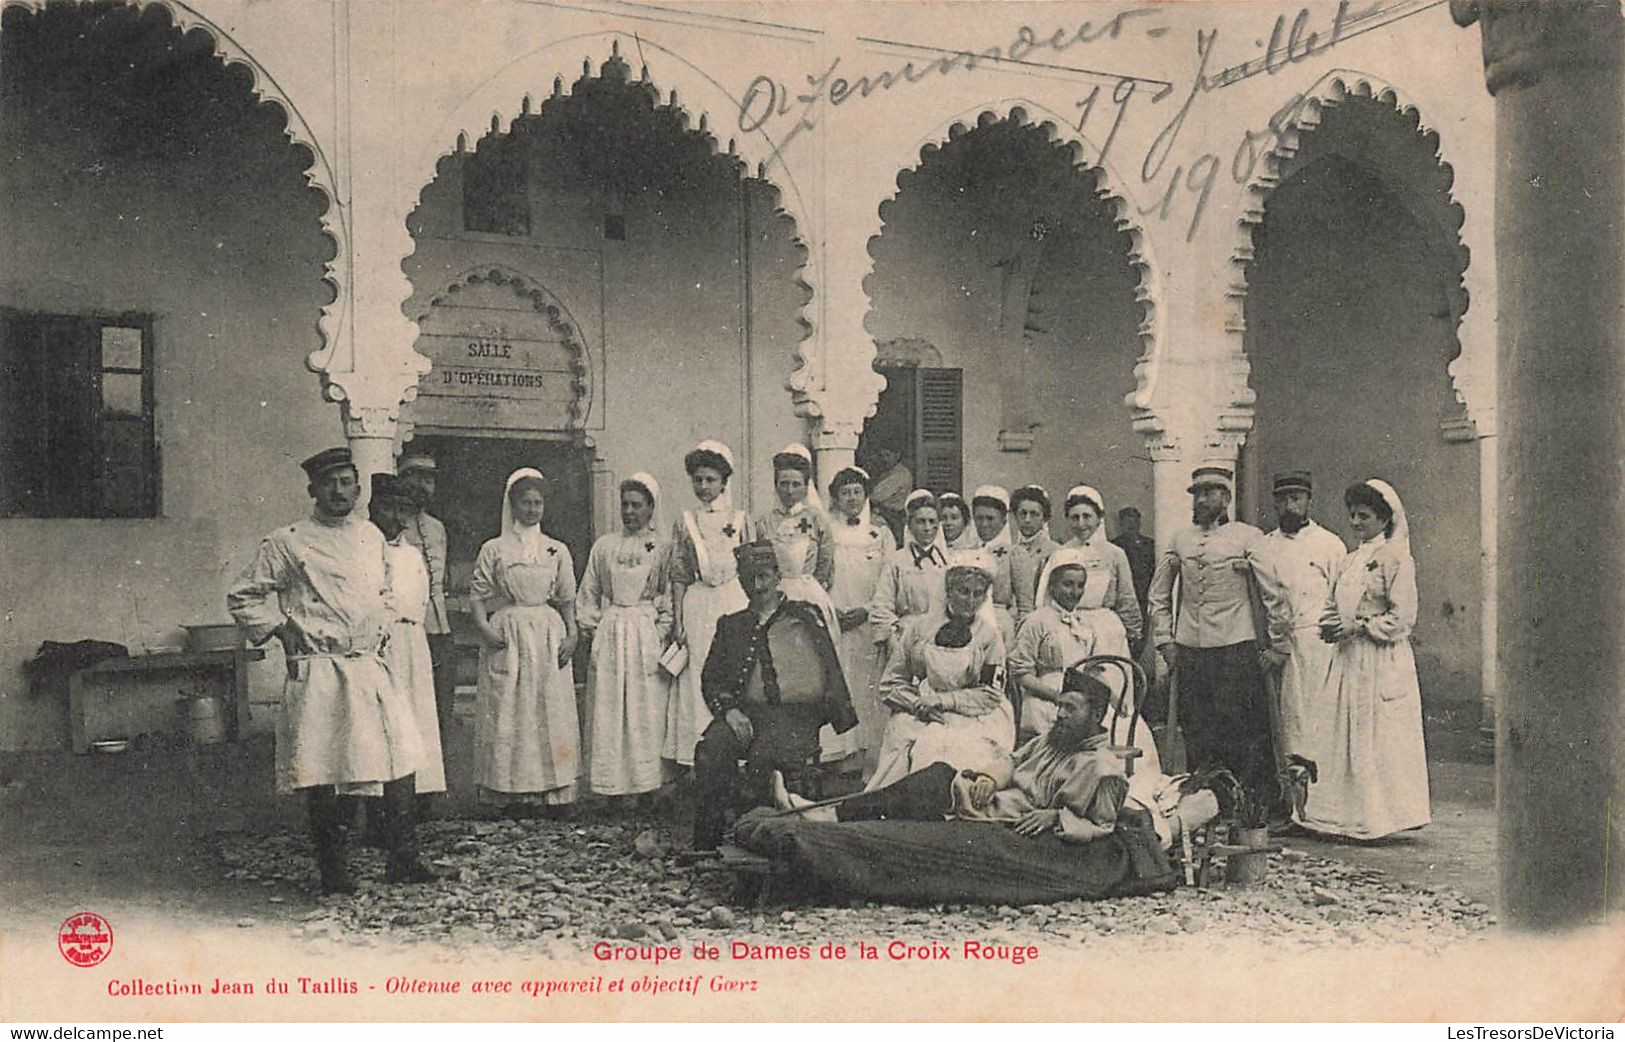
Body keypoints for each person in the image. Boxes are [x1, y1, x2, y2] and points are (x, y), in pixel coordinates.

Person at [227, 447, 436, 894]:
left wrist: (379, 630)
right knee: (328, 770)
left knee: (401, 756)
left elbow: (382, 591)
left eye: (346, 482)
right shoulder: (289, 542)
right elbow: (243, 595)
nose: (338, 491)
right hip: (321, 670)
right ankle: (334, 871)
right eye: (329, 483)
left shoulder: (370, 537)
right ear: (313, 490)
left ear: (358, 488)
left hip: (368, 664)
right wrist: (280, 629)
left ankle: (403, 859)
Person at [773, 669, 1218, 851]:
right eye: (1059, 706)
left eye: (1071, 709)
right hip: (990, 796)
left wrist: (1056, 817)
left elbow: (1101, 824)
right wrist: (988, 775)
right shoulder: (1054, 739)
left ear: (1096, 716)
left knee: (927, 786)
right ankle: (823, 814)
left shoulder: (1101, 767)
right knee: (933, 779)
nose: (1060, 714)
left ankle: (822, 816)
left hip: (1006, 816)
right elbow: (1012, 759)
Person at [691, 540, 858, 850]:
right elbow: (711, 678)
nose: (757, 585)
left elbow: (827, 669)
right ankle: (708, 844)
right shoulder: (732, 625)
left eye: (764, 576)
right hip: (744, 714)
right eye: (748, 577)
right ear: (739, 580)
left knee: (766, 761)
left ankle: (769, 843)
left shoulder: (806, 616)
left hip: (794, 715)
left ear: (777, 576)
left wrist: (825, 713)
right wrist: (728, 711)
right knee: (710, 750)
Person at [1299, 480, 1430, 840]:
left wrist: (1358, 628)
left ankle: (1377, 819)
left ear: (1385, 519)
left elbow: (1403, 618)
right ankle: (1338, 817)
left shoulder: (1397, 558)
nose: (1356, 522)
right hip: (1346, 659)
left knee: (1375, 737)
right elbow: (1330, 604)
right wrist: (1330, 626)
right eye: (1353, 515)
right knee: (1341, 734)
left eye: (1365, 516)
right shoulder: (1349, 560)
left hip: (1379, 658)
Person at [1146, 465, 1275, 807]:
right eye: (1197, 494)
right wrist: (1164, 640)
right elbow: (1158, 595)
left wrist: (1279, 644)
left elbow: (1273, 593)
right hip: (1190, 648)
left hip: (1236, 646)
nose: (1202, 500)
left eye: (1209, 493)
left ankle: (1241, 802)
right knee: (1196, 728)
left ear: (1226, 497)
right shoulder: (1180, 539)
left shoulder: (1248, 537)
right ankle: (1202, 802)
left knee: (1237, 728)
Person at [468, 468, 581, 814]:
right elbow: (477, 596)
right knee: (510, 710)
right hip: (510, 634)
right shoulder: (495, 548)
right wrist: (485, 629)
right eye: (526, 502)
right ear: (512, 505)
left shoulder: (555, 550)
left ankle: (553, 792)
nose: (532, 509)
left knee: (549, 708)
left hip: (548, 633)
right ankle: (509, 792)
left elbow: (566, 598)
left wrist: (573, 633)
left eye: (538, 503)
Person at [866, 548, 1015, 791]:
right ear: (948, 591)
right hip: (924, 709)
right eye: (963, 591)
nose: (970, 601)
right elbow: (890, 684)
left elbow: (990, 694)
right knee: (905, 737)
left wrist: (945, 701)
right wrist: (917, 704)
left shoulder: (989, 636)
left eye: (978, 594)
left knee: (963, 747)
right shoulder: (920, 629)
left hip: (975, 712)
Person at [1010, 546, 1161, 775]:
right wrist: (1057, 697)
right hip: (1045, 699)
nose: (1075, 591)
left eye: (1080, 585)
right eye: (1067, 584)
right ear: (1052, 585)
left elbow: (1093, 671)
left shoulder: (1085, 624)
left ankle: (1122, 788)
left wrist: (1114, 700)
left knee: (1129, 726)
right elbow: (1021, 674)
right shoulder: (1037, 621)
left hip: (1082, 697)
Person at [578, 473, 671, 807]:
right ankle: (612, 789)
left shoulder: (661, 548)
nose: (629, 511)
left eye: (637, 505)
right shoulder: (605, 546)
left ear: (650, 508)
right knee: (610, 708)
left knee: (645, 709)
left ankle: (647, 787)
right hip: (613, 631)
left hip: (645, 632)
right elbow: (588, 592)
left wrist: (657, 633)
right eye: (625, 504)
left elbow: (668, 595)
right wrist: (595, 627)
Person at [665, 440, 756, 768]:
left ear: (724, 481)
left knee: (734, 672)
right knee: (699, 675)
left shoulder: (742, 519)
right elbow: (678, 573)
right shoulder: (685, 521)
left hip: (733, 600)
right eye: (698, 480)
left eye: (710, 480)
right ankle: (695, 757)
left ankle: (737, 753)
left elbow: (753, 570)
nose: (704, 486)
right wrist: (678, 620)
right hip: (698, 605)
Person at [1252, 471, 1347, 763]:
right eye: (1282, 499)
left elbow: (1339, 598)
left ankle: (1322, 788)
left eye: (1296, 498)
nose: (1290, 505)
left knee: (1321, 716)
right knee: (1287, 718)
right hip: (1279, 647)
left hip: (1320, 647)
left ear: (1309, 501)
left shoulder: (1330, 545)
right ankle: (1291, 788)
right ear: (1275, 503)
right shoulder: (1264, 545)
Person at [370, 473, 447, 804]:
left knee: (417, 719)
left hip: (412, 641)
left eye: (406, 511)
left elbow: (419, 599)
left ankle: (417, 799)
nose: (399, 519)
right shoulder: (364, 549)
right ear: (374, 508)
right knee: (381, 725)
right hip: (378, 646)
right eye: (391, 509)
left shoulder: (412, 555)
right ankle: (376, 806)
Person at [826, 465, 893, 775]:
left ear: (866, 495)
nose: (851, 498)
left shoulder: (880, 533)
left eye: (857, 491)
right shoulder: (827, 531)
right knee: (841, 681)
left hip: (867, 619)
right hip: (836, 619)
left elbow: (888, 578)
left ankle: (867, 751)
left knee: (867, 686)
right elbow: (821, 575)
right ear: (836, 498)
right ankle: (840, 751)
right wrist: (833, 610)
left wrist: (867, 609)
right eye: (845, 492)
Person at [396, 453, 456, 751]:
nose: (422, 486)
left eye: (429, 480)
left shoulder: (437, 529)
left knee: (440, 709)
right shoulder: (390, 524)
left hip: (439, 631)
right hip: (406, 631)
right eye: (415, 477)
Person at [1058, 485, 1144, 652]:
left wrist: (1133, 633)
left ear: (1099, 518)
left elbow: (1126, 598)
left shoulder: (1115, 554)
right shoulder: (1061, 553)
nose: (1081, 523)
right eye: (1075, 518)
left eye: (1087, 516)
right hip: (1070, 629)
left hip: (1106, 629)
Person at [867, 489, 948, 656]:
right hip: (907, 637)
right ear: (910, 524)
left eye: (932, 522)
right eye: (920, 521)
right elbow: (881, 605)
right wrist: (895, 632)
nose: (927, 528)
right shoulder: (896, 561)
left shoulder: (948, 563)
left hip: (941, 638)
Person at [970, 485, 1017, 645]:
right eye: (979, 518)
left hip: (1001, 625)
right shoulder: (968, 552)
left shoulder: (1014, 553)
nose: (984, 524)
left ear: (1003, 521)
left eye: (990, 519)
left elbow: (1025, 606)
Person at [1008, 484, 1059, 624]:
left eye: (1034, 514)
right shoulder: (1010, 550)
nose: (1027, 520)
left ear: (1044, 518)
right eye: (1023, 513)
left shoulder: (1055, 552)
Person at [1110, 506, 1157, 619]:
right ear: (1121, 524)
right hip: (1124, 594)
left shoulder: (1149, 544)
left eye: (1134, 521)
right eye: (1127, 522)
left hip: (1145, 594)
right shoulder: (1115, 545)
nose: (1131, 525)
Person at [866, 446, 913, 542]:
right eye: (881, 456)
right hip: (882, 513)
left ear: (897, 455)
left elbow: (875, 496)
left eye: (888, 455)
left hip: (891, 516)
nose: (884, 459)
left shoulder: (900, 474)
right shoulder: (887, 472)